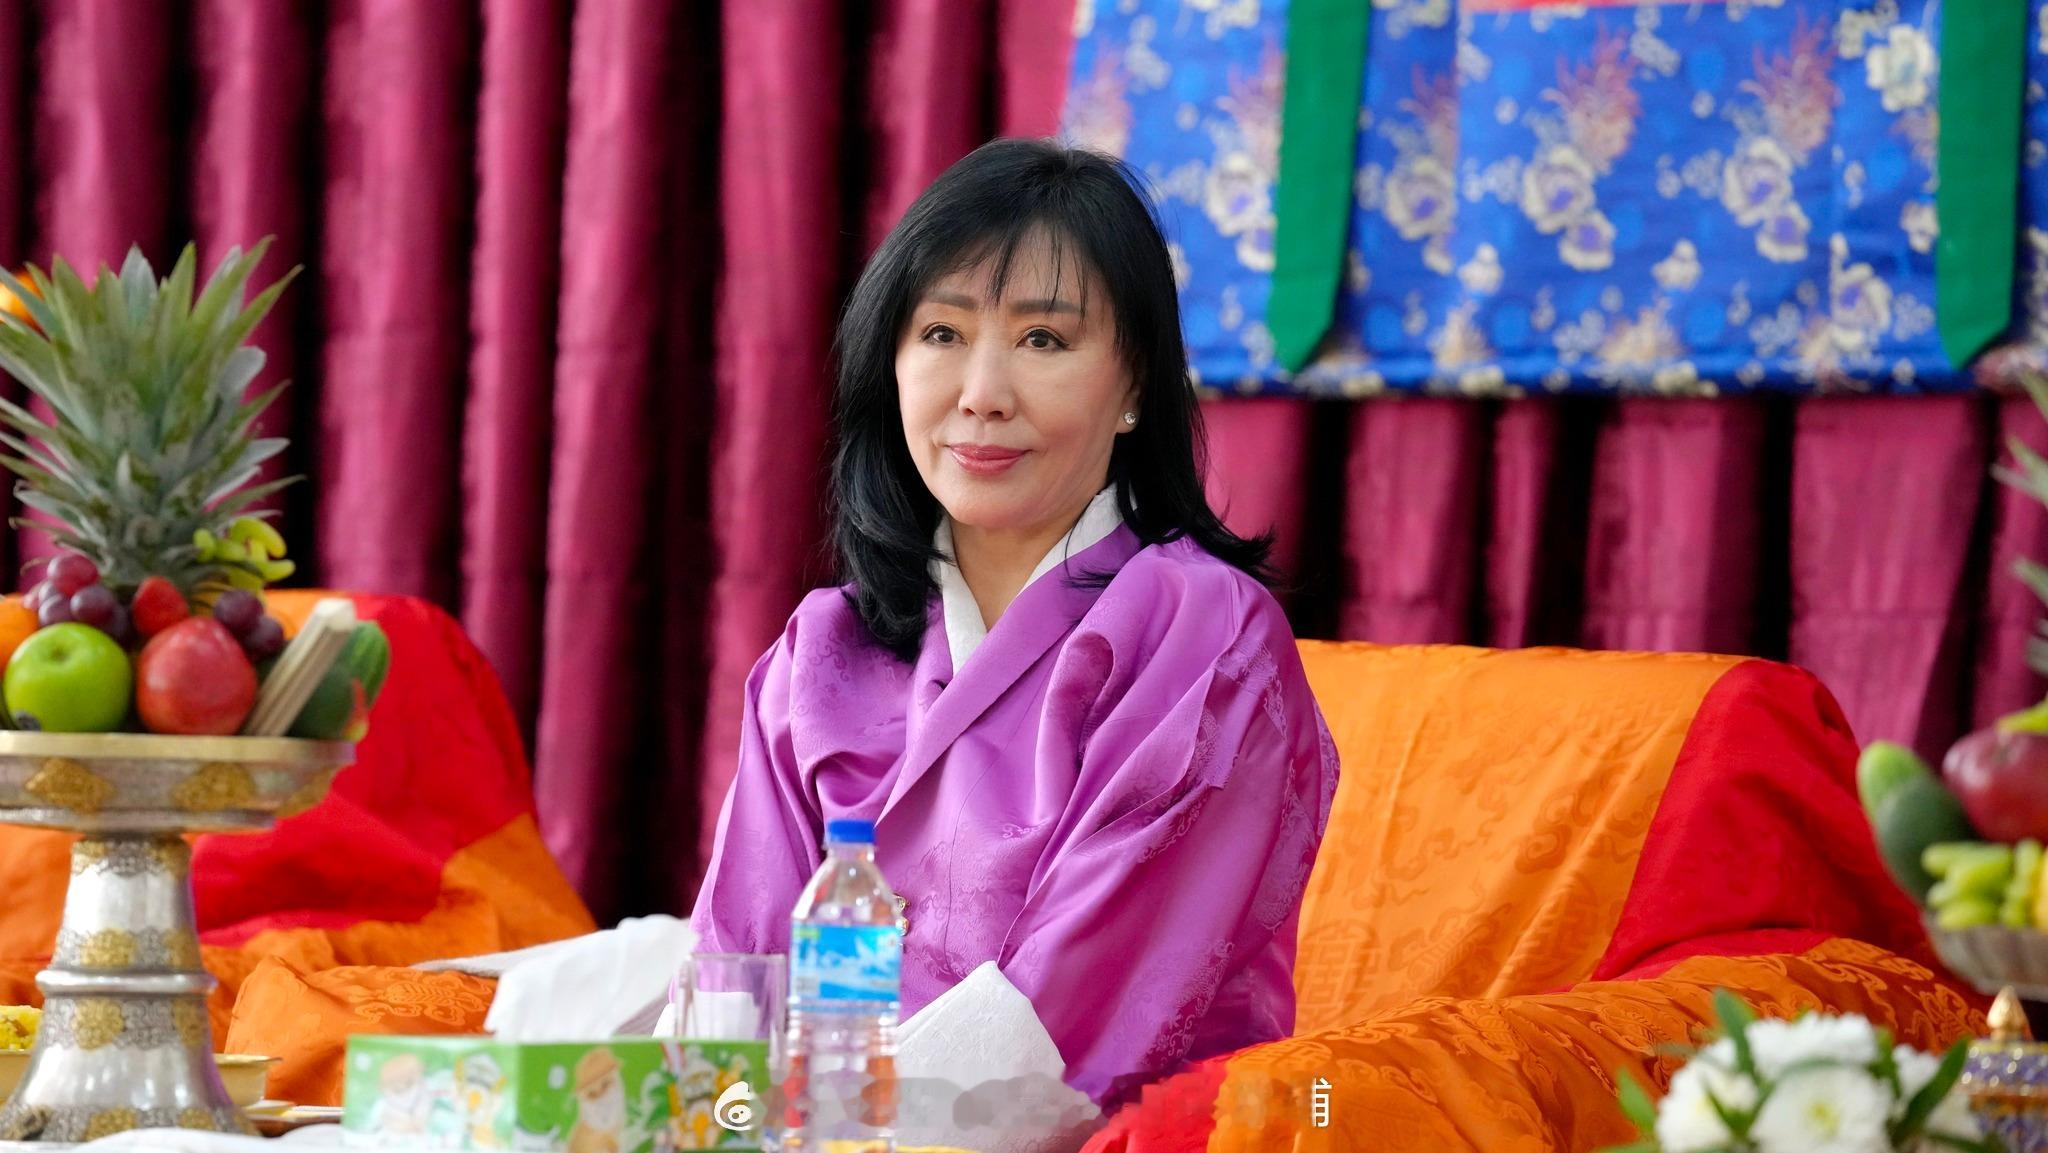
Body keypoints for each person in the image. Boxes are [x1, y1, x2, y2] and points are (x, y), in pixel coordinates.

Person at [691, 137, 1339, 1109]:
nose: (981, 395)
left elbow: (1068, 1036)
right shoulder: (821, 648)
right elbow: (732, 978)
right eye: (941, 333)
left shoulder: (1204, 640)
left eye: (1043, 340)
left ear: (1134, 385)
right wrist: (717, 1118)